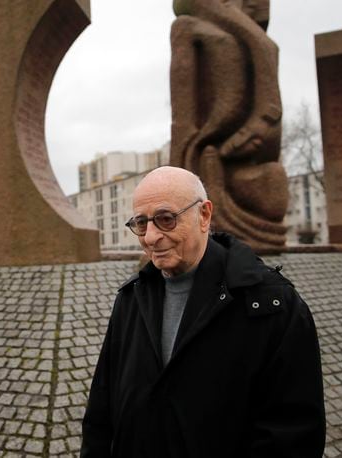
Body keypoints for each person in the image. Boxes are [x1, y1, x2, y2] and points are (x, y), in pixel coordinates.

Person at [81, 166, 325, 457]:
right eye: (141, 223)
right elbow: (101, 409)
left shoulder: (272, 304)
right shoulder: (131, 297)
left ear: (204, 215)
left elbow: (293, 435)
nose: (150, 237)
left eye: (166, 219)